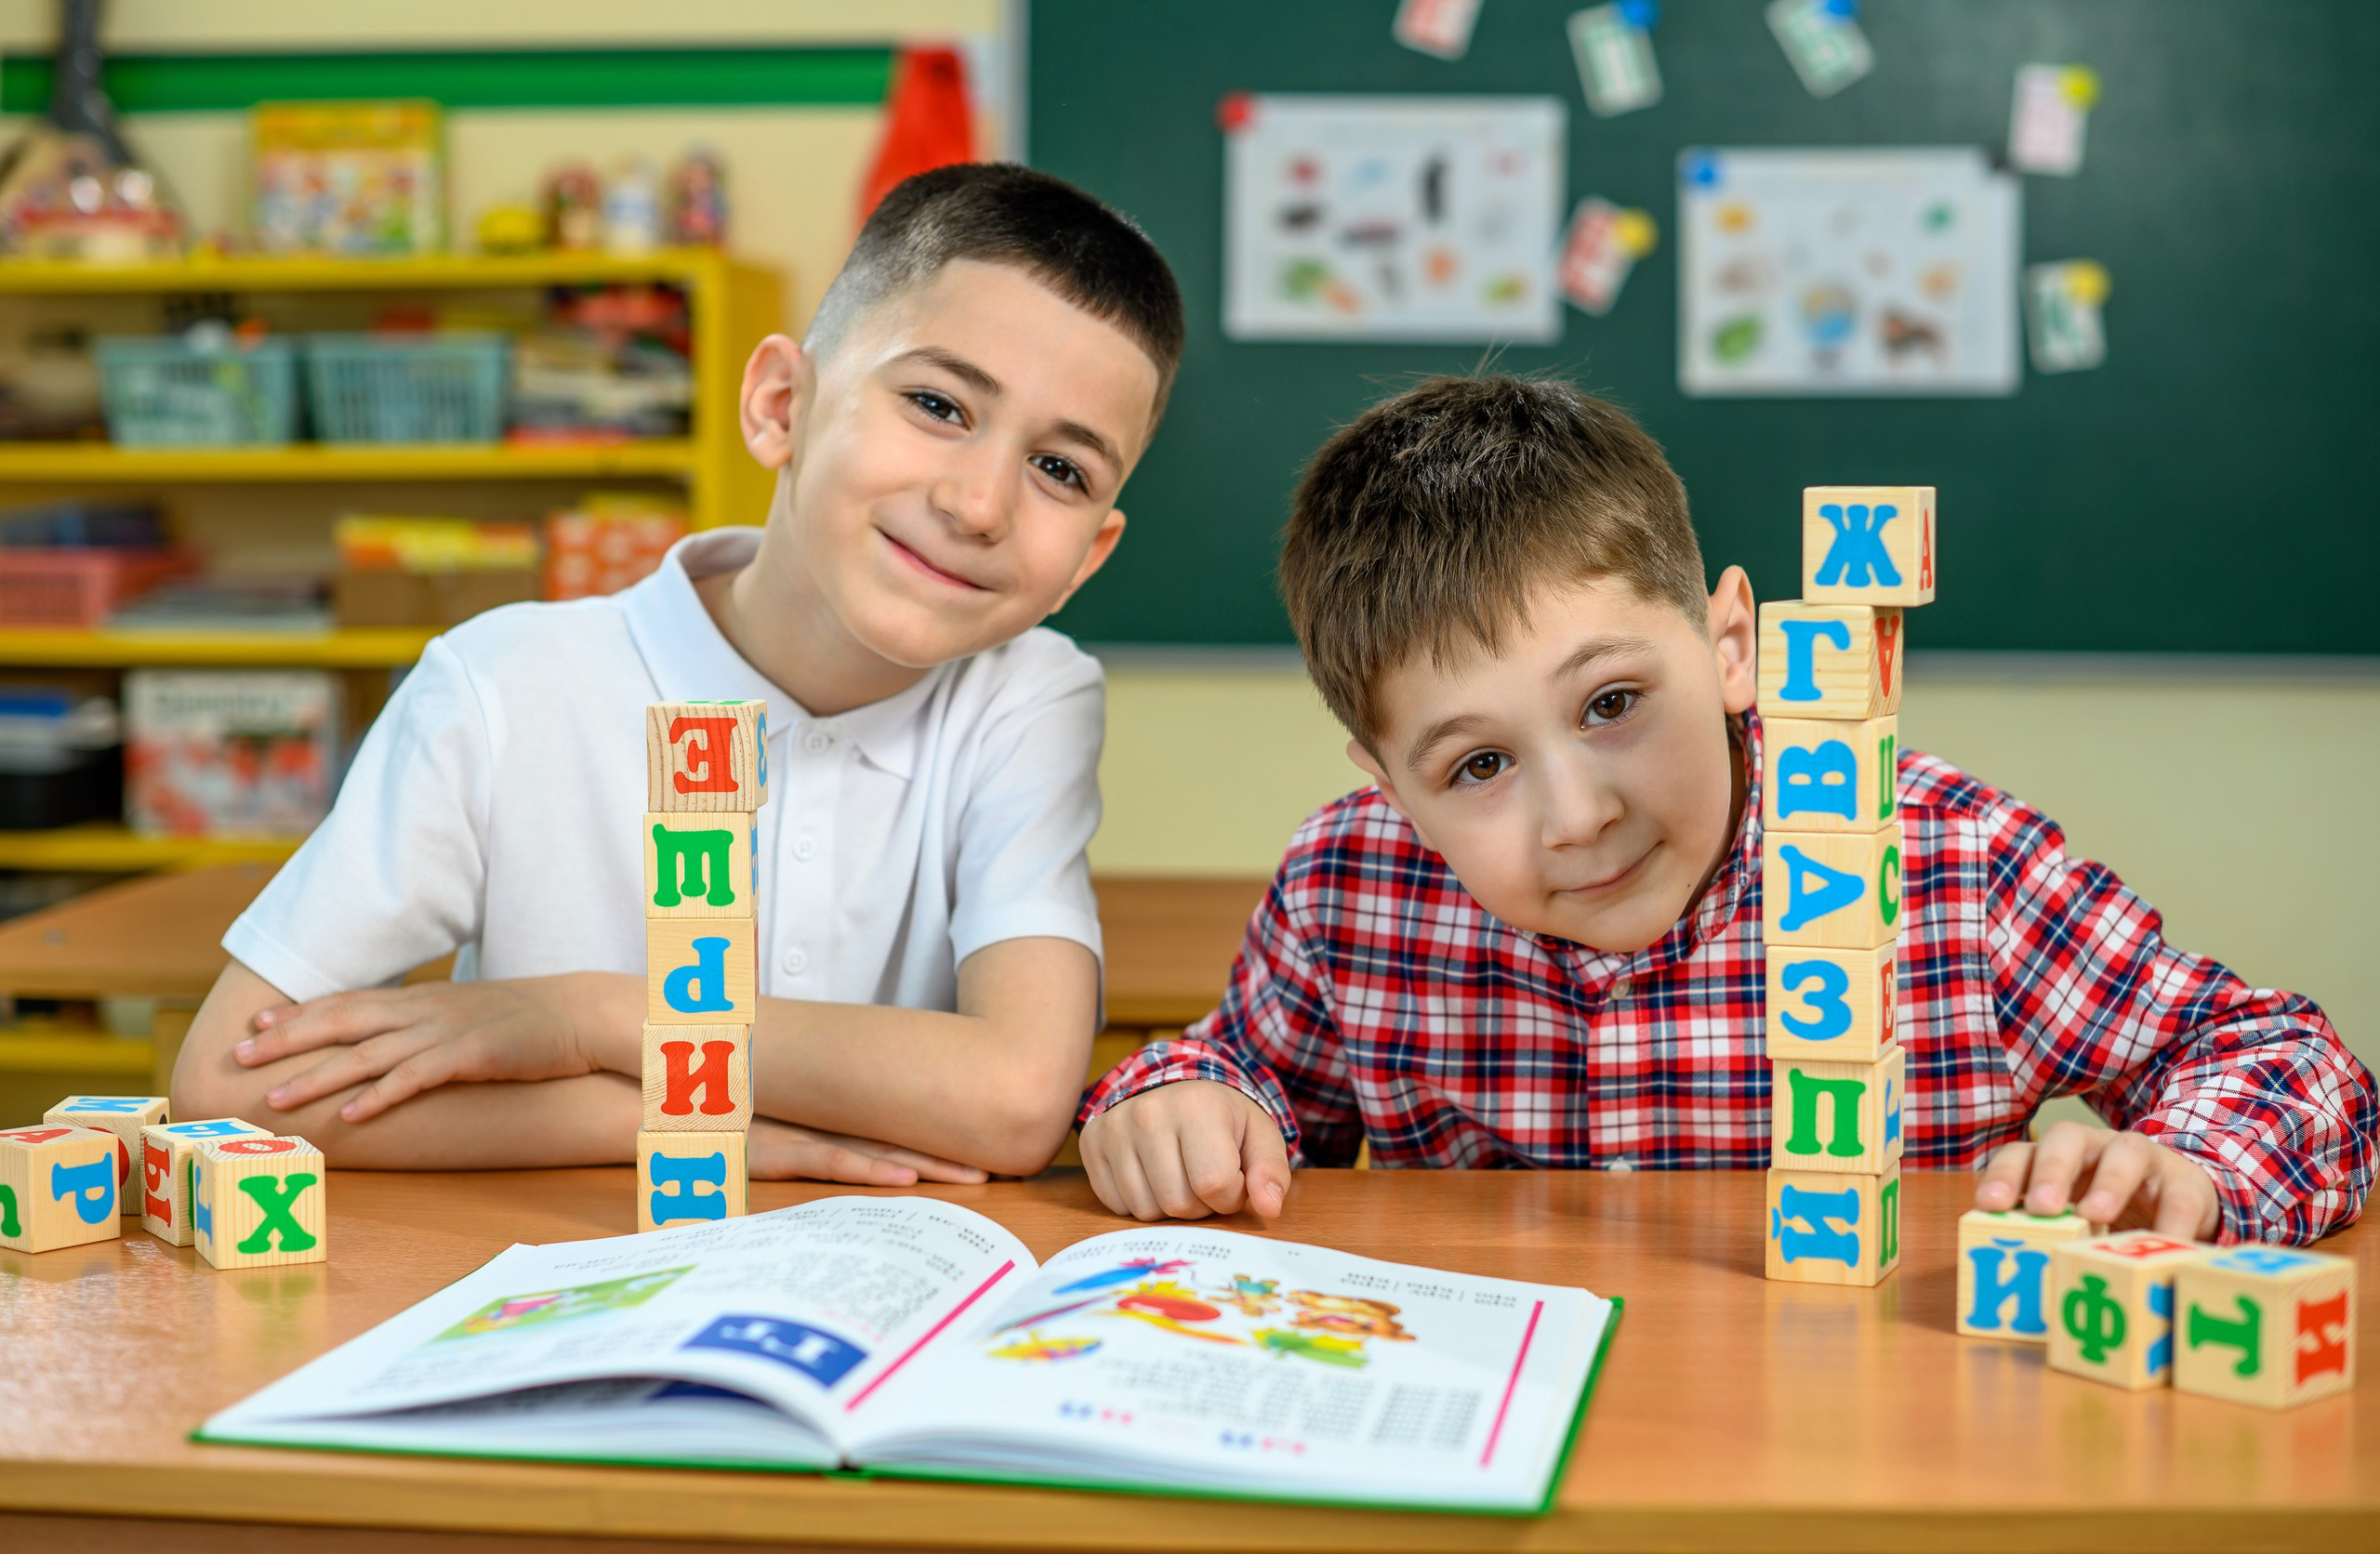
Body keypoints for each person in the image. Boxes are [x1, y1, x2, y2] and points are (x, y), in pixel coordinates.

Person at [1078, 375, 2374, 1244]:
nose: (1576, 815)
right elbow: (1234, 1071)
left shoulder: (1948, 867)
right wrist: (1178, 1100)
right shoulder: (1348, 889)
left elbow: (2296, 1060)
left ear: (1733, 644)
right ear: (1386, 780)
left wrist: (2193, 1169)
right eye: (1476, 766)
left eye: (1612, 702)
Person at [174, 165, 1184, 1183]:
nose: (979, 504)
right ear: (781, 405)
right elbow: (225, 1088)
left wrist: (581, 1017)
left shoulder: (1029, 696)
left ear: (1087, 558)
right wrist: (696, 1124)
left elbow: (1013, 1101)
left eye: (1060, 470)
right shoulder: (503, 685)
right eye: (937, 402)